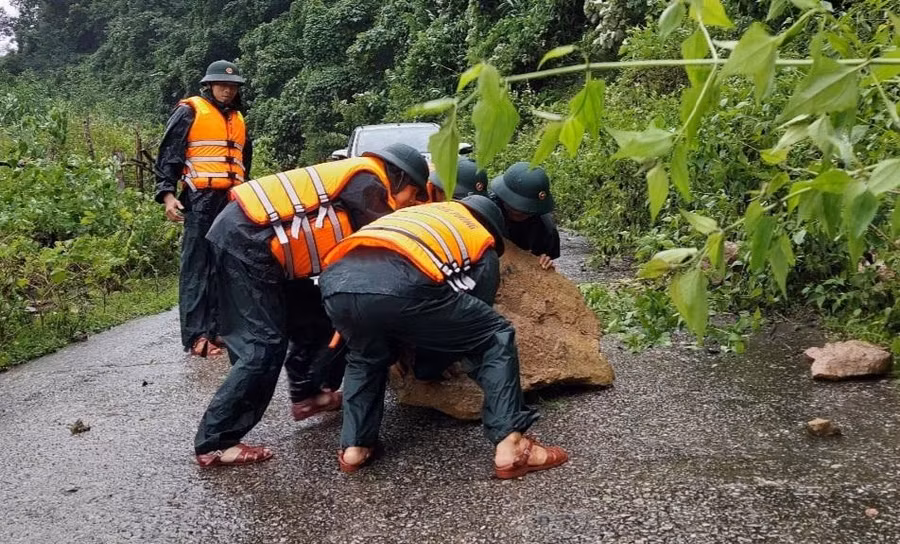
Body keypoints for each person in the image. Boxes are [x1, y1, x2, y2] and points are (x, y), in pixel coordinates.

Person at [193, 143, 429, 467]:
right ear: (400, 178)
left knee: (322, 316)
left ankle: (308, 394)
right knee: (264, 346)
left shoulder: (360, 177)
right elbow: (389, 242)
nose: (409, 204)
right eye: (412, 195)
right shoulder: (367, 183)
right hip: (246, 242)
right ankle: (217, 441)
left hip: (266, 251)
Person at [319, 196, 568, 479]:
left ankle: (355, 447)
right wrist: (429, 367)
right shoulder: (480, 239)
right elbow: (470, 324)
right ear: (492, 228)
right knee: (494, 334)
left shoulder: (425, 214)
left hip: (335, 284)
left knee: (364, 357)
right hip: (398, 285)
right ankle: (512, 446)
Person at [154, 60, 252, 357]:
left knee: (225, 266)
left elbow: (243, 163)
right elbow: (169, 155)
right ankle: (197, 337)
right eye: (222, 85)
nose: (227, 90)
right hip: (199, 199)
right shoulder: (189, 111)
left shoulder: (238, 118)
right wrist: (168, 195)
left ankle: (219, 330)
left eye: (232, 86)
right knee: (197, 266)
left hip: (230, 201)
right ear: (209, 85)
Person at [488, 162, 560, 270]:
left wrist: (543, 261)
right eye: (515, 209)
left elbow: (545, 257)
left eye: (527, 211)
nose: (520, 213)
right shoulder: (487, 210)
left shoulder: (546, 229)